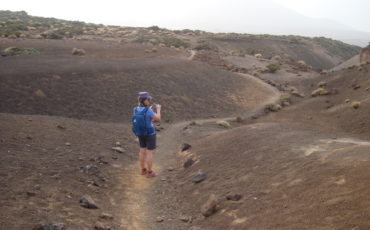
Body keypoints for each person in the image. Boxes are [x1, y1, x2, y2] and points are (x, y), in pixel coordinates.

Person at [133, 92, 161, 178]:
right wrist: (158, 109)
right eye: (148, 99)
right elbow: (158, 119)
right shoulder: (148, 110)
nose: (149, 101)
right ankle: (150, 172)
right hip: (149, 133)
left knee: (142, 151)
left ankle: (143, 170)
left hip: (140, 133)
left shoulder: (135, 109)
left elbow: (143, 116)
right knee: (149, 152)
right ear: (144, 100)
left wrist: (149, 109)